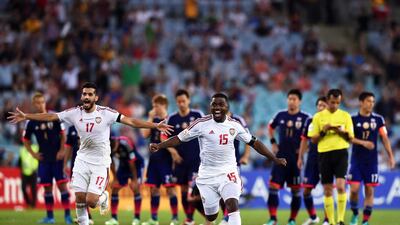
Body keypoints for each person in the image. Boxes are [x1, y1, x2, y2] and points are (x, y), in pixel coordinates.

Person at [8, 82, 173, 225]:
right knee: (79, 199)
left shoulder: (106, 113)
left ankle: (103, 197)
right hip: (82, 160)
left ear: (96, 97)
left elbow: (130, 121)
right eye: (84, 94)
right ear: (82, 96)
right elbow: (51, 116)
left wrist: (154, 126)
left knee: (91, 201)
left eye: (90, 94)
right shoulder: (74, 113)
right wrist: (26, 116)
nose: (86, 97)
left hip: (100, 163)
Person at [149, 93, 287, 225]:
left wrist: (274, 159)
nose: (217, 108)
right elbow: (179, 138)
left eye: (221, 105)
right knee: (211, 215)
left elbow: (254, 143)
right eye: (214, 104)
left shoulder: (235, 125)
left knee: (232, 205)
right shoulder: (201, 124)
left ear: (227, 107)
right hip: (207, 175)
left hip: (228, 172)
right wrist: (160, 145)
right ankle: (212, 216)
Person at [22, 92, 72, 224]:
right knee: (47, 188)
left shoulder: (53, 116)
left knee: (62, 186)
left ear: (45, 102)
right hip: (43, 158)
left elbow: (63, 135)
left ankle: (67, 216)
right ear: (34, 104)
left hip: (57, 157)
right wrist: (33, 154)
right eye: (37, 103)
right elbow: (25, 139)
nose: (40, 105)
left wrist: (62, 150)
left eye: (42, 102)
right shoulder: (31, 122)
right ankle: (50, 217)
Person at [348, 92, 395, 225]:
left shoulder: (378, 119)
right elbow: (349, 138)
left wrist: (390, 156)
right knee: (354, 190)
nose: (371, 104)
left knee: (369, 190)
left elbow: (384, 138)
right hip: (356, 161)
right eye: (368, 101)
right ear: (361, 102)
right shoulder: (352, 119)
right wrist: (363, 143)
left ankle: (365, 221)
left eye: (373, 101)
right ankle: (355, 213)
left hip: (372, 162)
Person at [308, 89, 354, 225]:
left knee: (340, 186)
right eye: (332, 102)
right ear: (327, 101)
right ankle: (332, 222)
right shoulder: (318, 117)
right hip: (324, 154)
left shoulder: (345, 116)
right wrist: (324, 130)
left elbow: (350, 138)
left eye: (338, 102)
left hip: (341, 153)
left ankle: (340, 220)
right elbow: (313, 140)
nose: (335, 105)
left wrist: (341, 132)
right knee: (327, 189)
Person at [264, 89, 310, 225]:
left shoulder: (306, 118)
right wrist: (273, 142)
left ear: (300, 101)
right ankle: (273, 219)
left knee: (296, 190)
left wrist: (303, 151)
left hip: (296, 159)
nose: (291, 101)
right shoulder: (280, 115)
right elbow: (270, 127)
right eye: (290, 99)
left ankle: (292, 220)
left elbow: (310, 138)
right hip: (280, 157)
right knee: (273, 187)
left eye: (294, 99)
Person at [165, 89, 204, 225]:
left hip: (195, 161)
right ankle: (190, 219)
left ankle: (196, 218)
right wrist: (173, 152)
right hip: (180, 161)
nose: (181, 104)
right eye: (179, 102)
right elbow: (164, 136)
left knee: (191, 191)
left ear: (189, 101)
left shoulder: (197, 115)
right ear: (176, 102)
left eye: (184, 101)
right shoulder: (172, 118)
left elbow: (206, 132)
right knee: (181, 190)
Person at [140, 94, 179, 225]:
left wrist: (174, 155)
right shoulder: (154, 119)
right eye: (153, 106)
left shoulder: (171, 120)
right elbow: (145, 134)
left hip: (166, 160)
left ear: (164, 105)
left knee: (170, 189)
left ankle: (175, 218)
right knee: (154, 189)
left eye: (156, 105)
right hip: (154, 160)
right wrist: (151, 117)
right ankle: (154, 219)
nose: (154, 108)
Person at [297, 97, 329, 225]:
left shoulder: (331, 121)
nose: (321, 107)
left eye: (323, 105)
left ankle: (327, 219)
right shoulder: (310, 120)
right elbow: (304, 140)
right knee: (306, 191)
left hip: (327, 159)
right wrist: (300, 157)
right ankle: (313, 217)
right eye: (319, 105)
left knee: (328, 190)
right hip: (312, 159)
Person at [219, 111, 251, 225]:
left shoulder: (238, 120)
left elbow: (248, 139)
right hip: (216, 165)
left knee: (231, 190)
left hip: (233, 163)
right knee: (219, 192)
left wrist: (246, 156)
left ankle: (226, 217)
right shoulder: (212, 120)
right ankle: (225, 216)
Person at [105, 136, 144, 225]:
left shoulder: (125, 144)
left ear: (116, 144)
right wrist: (115, 178)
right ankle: (114, 219)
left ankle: (137, 218)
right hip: (123, 166)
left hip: (136, 165)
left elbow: (132, 161)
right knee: (115, 188)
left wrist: (134, 179)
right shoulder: (107, 146)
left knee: (135, 188)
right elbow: (111, 163)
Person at [65, 125, 94, 225]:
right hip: (76, 164)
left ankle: (87, 215)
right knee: (79, 191)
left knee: (87, 192)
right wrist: (65, 164)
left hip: (90, 162)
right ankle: (84, 216)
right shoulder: (72, 128)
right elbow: (68, 147)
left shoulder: (91, 124)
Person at [19, 143, 39, 208]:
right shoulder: (22, 150)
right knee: (23, 188)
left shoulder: (35, 148)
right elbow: (20, 161)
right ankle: (28, 203)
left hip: (33, 172)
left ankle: (33, 205)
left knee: (33, 189)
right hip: (25, 172)